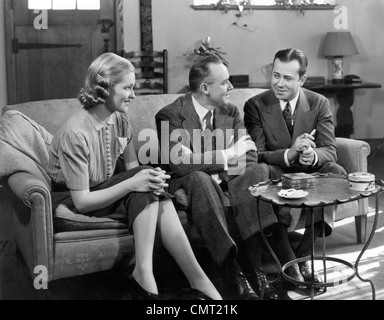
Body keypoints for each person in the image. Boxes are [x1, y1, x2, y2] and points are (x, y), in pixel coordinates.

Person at [47, 52, 222, 301]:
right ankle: (149, 273)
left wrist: (148, 179)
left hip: (103, 191)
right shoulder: (76, 133)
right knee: (143, 178)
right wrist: (136, 180)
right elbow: (82, 201)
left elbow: (132, 168)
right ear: (104, 88)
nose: (133, 95)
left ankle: (193, 280)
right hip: (70, 198)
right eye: (127, 87)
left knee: (148, 181)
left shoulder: (119, 119)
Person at [155, 55, 280, 300]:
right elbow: (180, 165)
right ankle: (231, 271)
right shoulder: (170, 115)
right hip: (188, 184)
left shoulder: (230, 111)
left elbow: (251, 155)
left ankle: (255, 268)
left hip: (224, 178)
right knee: (200, 178)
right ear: (204, 88)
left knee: (258, 171)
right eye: (224, 82)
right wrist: (229, 153)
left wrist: (217, 168)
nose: (231, 87)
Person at [243, 48, 347, 286]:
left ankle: (303, 254)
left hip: (308, 170)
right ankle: (285, 252)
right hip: (278, 169)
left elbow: (330, 149)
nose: (279, 83)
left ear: (302, 79)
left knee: (337, 172)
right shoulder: (255, 105)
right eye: (276, 75)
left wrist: (313, 155)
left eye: (288, 78)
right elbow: (257, 154)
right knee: (265, 173)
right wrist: (290, 153)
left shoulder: (318, 103)